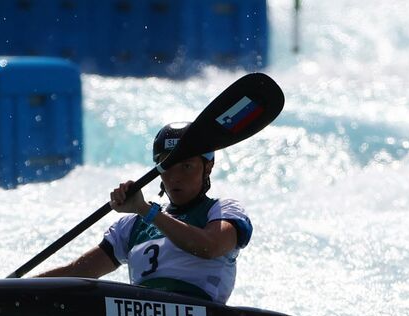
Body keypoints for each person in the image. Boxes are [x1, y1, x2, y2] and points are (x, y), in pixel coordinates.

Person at [35, 122, 253, 304]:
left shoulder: (224, 211)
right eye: (167, 166)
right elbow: (77, 272)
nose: (175, 177)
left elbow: (209, 246)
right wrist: (20, 288)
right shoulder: (132, 226)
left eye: (186, 166)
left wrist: (145, 210)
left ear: (208, 167)